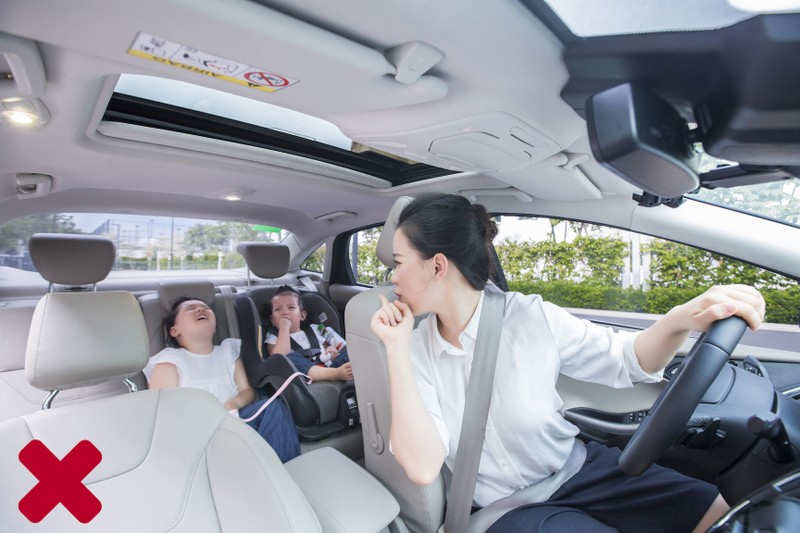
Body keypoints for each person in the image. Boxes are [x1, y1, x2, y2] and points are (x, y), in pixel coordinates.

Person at [370, 193, 766, 533]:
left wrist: (680, 318)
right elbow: (422, 467)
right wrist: (396, 348)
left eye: (399, 262)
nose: (392, 277)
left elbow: (627, 360)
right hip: (507, 508)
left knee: (725, 513)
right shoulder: (415, 350)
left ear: (437, 266)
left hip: (581, 468)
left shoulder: (530, 316)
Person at [144, 296, 301, 463]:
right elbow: (163, 412)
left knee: (274, 408)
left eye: (205, 307)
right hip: (196, 433)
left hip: (236, 419)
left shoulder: (227, 352)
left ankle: (286, 469)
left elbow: (247, 391)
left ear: (214, 328)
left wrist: (234, 403)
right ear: (175, 331)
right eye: (190, 309)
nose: (200, 309)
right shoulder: (170, 361)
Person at [264, 285, 353, 382]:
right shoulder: (274, 336)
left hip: (330, 366)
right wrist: (284, 329)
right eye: (278, 309)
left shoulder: (316, 329)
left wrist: (331, 349)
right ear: (272, 320)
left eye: (291, 307)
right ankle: (334, 374)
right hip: (302, 374)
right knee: (289, 359)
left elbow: (333, 347)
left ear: (302, 315)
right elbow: (278, 358)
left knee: (352, 351)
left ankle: (343, 372)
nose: (285, 312)